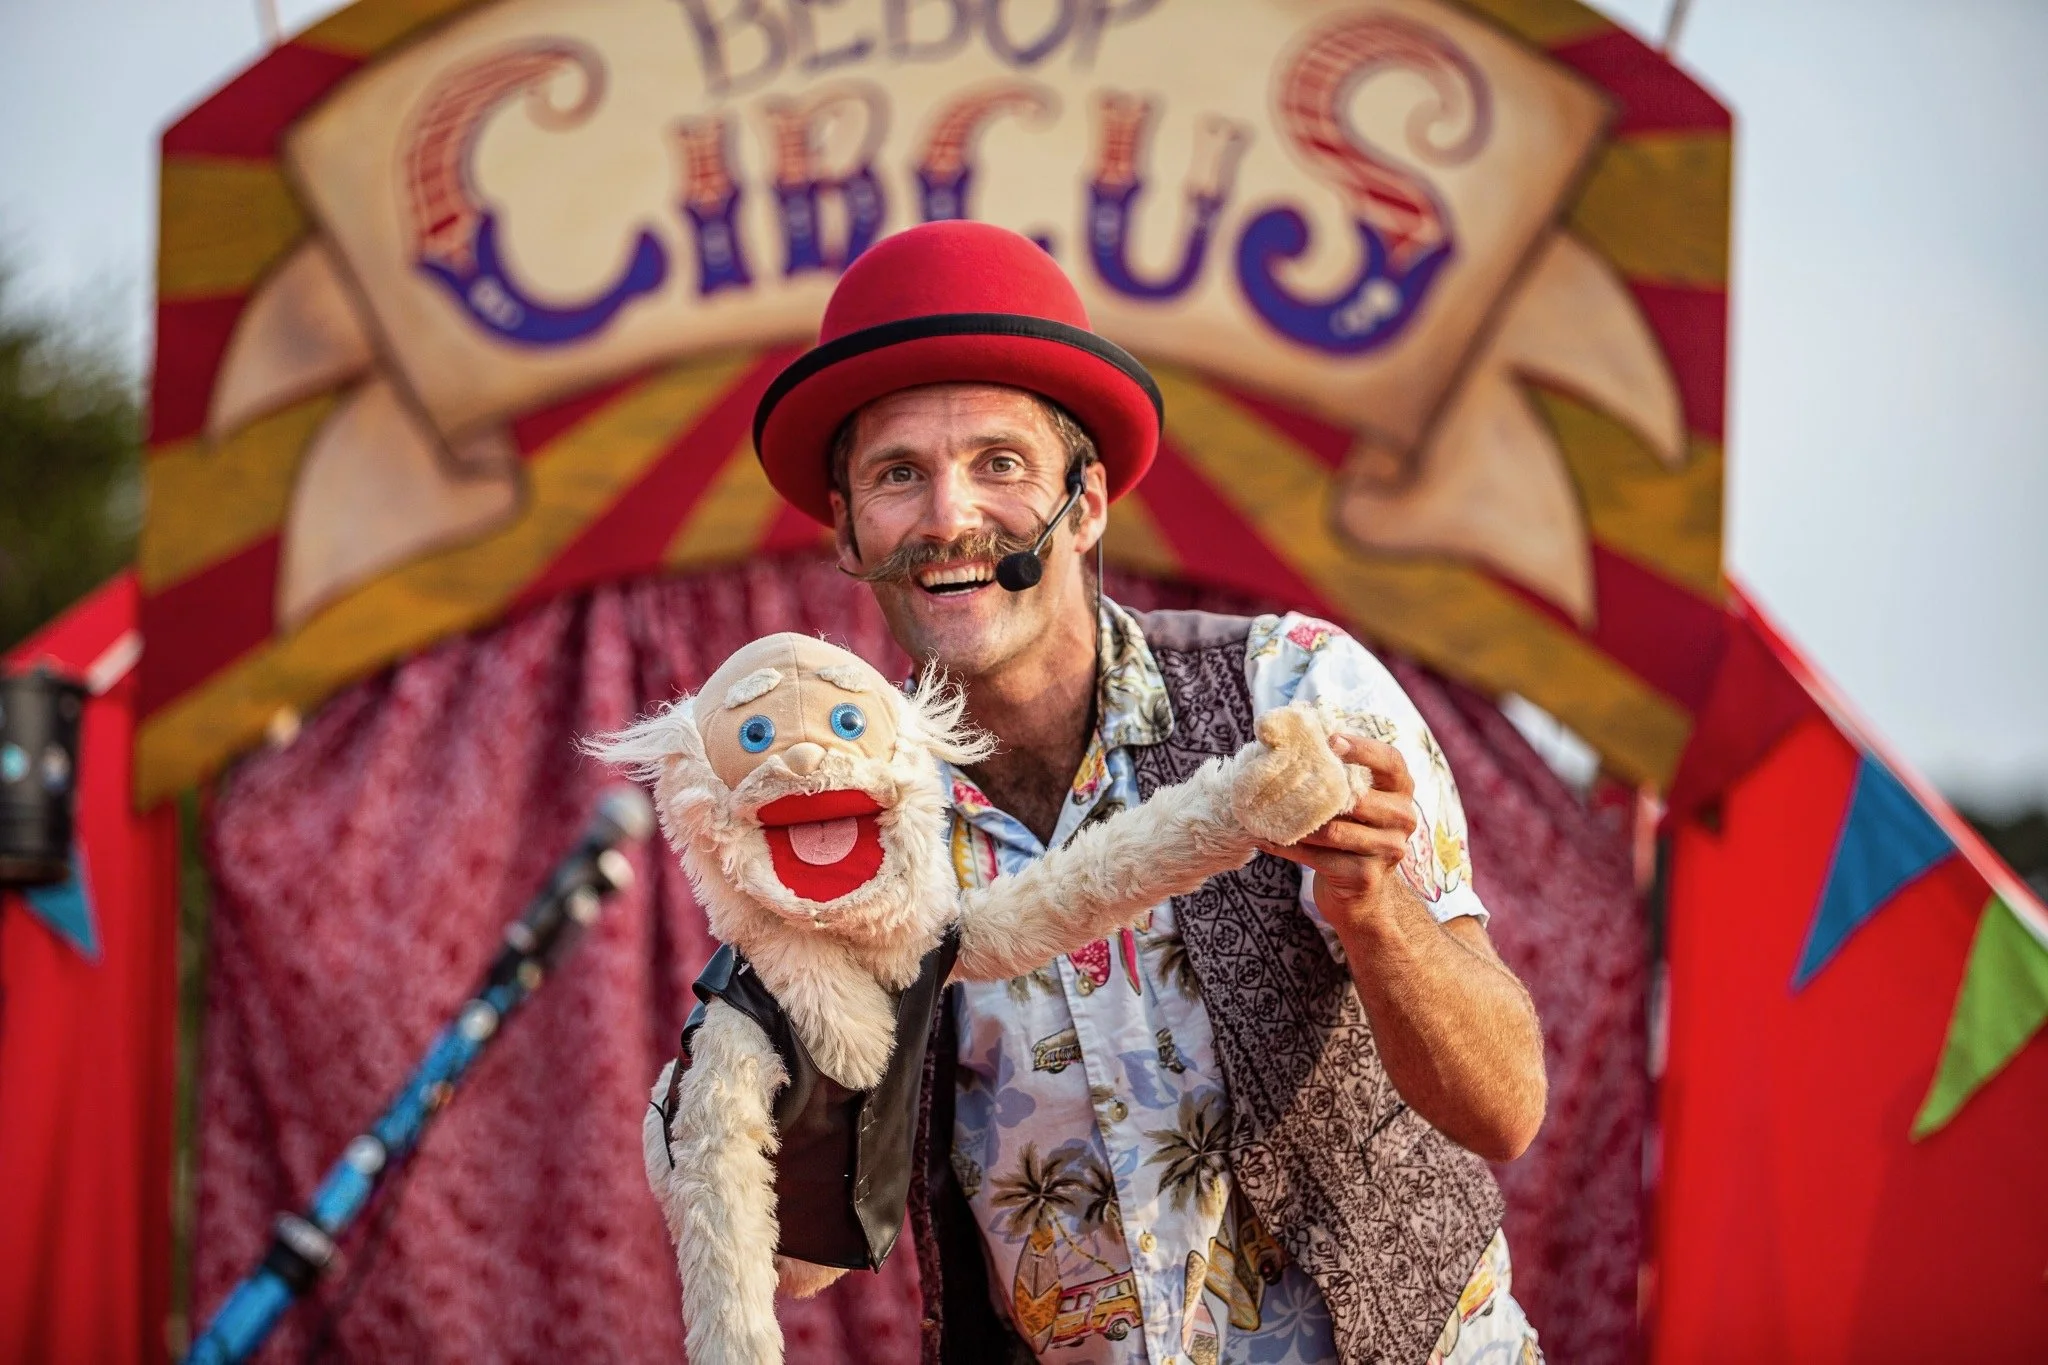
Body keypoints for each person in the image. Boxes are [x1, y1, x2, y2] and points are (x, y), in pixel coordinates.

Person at [749, 221, 1548, 1365]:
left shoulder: (1292, 690)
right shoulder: (853, 823)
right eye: (896, 475)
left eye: (1000, 463)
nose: (947, 518)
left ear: (1085, 506)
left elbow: (1503, 1109)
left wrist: (1376, 914)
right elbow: (798, 1246)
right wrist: (769, 1038)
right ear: (844, 533)